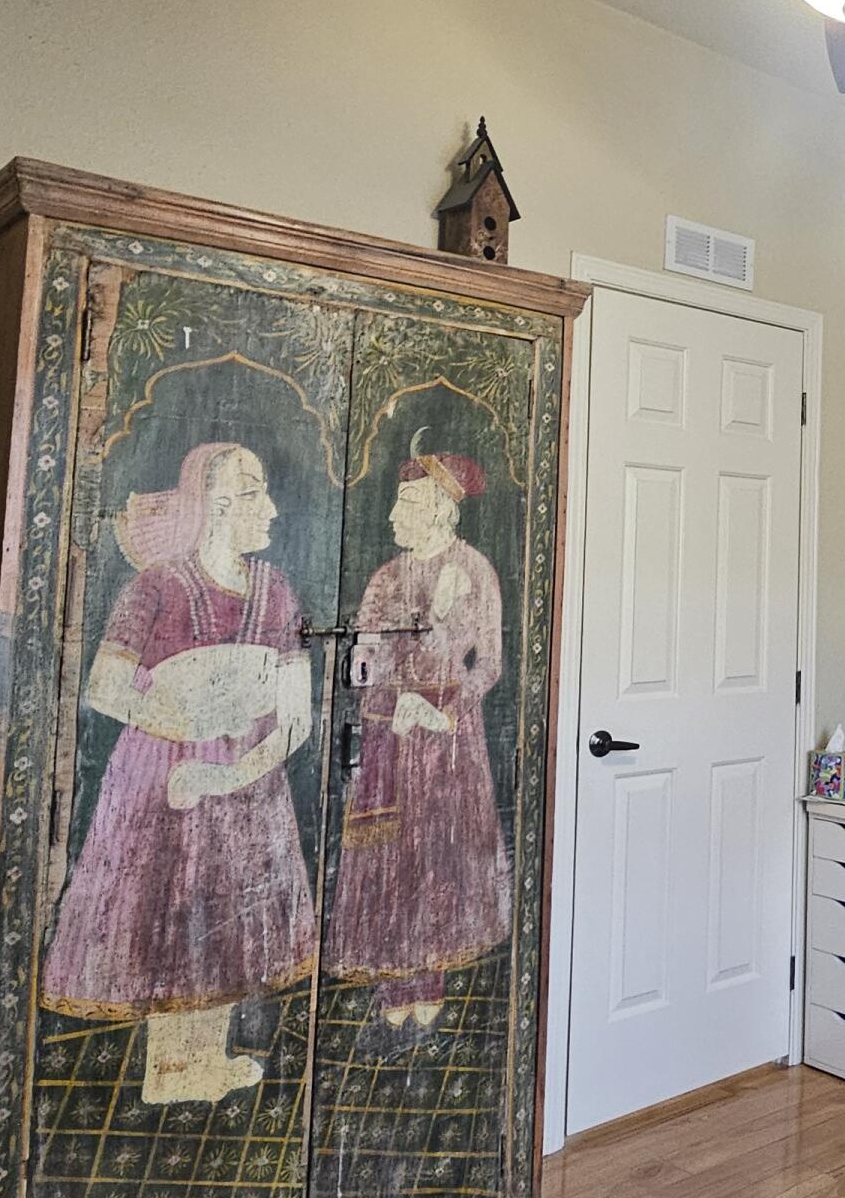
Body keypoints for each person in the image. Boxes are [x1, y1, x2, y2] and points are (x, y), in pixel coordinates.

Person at [41, 440, 317, 1104]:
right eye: (257, 493)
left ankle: (206, 1061)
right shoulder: (159, 585)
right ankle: (168, 1070)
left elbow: (296, 714)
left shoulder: (276, 590)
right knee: (170, 906)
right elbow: (107, 686)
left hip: (247, 783)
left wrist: (236, 771)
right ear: (219, 505)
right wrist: (186, 723)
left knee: (223, 910)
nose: (274, 510)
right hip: (163, 776)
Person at [336, 437, 509, 1029]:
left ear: (438, 508)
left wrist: (446, 709)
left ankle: (431, 978)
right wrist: (382, 689)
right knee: (389, 862)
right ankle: (393, 987)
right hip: (390, 729)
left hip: (447, 735)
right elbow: (362, 658)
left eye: (405, 504)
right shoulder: (387, 577)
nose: (391, 517)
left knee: (437, 855)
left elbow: (488, 664)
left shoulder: (474, 571)